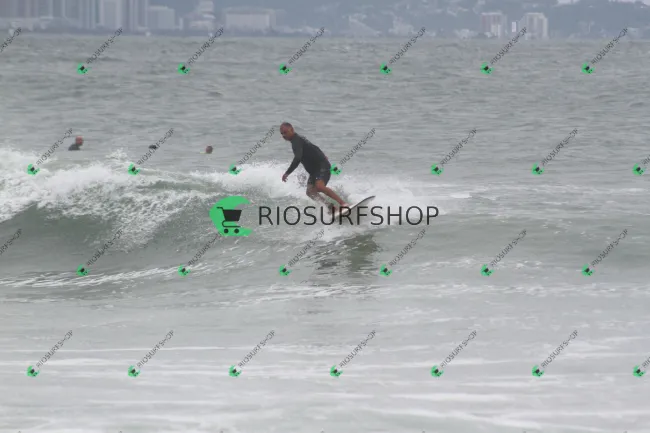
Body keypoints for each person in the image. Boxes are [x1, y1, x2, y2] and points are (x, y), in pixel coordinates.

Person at [280, 122, 349, 214]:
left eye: (285, 132)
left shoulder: (297, 141)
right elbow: (314, 147)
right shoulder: (298, 140)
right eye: (282, 133)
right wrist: (323, 154)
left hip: (321, 166)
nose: (284, 135)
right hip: (314, 171)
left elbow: (297, 158)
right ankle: (331, 208)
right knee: (310, 192)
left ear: (291, 129)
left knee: (319, 186)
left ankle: (343, 203)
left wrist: (287, 173)